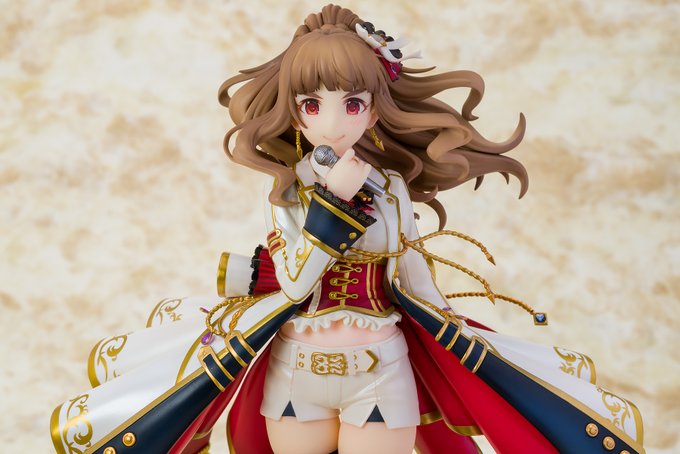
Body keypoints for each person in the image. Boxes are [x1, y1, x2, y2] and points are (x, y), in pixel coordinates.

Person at [50, 5, 645, 454]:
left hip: (379, 365)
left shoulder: (391, 190)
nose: (332, 122)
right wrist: (331, 202)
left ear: (375, 107)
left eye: (352, 104)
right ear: (294, 110)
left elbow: (413, 274)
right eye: (312, 106)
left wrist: (460, 337)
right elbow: (294, 283)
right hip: (297, 369)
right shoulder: (287, 194)